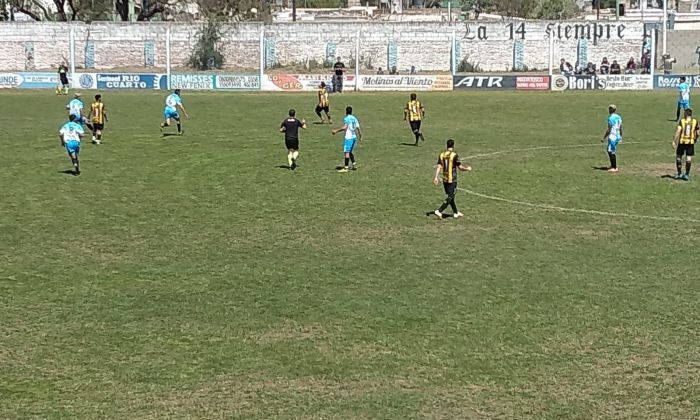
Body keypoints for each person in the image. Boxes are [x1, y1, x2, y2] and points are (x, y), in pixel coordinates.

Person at [432, 138, 472, 220]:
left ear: (447, 145)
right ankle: (439, 211)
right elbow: (460, 167)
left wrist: (436, 177)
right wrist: (467, 169)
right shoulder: (454, 155)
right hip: (452, 179)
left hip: (445, 179)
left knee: (451, 196)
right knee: (451, 196)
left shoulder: (442, 154)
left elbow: (439, 166)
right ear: (453, 145)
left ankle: (455, 212)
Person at [331, 106, 362, 173]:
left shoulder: (347, 118)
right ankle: (354, 164)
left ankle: (346, 168)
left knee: (346, 152)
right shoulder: (354, 118)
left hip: (349, 138)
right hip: (354, 137)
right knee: (350, 151)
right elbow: (358, 128)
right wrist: (360, 136)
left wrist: (336, 131)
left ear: (346, 112)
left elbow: (345, 127)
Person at [672, 108, 698, 180]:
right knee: (688, 157)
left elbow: (678, 131)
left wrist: (674, 140)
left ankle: (680, 173)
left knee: (678, 156)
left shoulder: (682, 121)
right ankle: (686, 174)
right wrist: (696, 138)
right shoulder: (695, 121)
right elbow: (698, 132)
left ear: (686, 114)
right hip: (690, 142)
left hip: (682, 142)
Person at [601, 104, 623, 172]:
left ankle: (614, 167)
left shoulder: (611, 118)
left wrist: (604, 137)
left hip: (613, 136)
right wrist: (620, 136)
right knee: (609, 149)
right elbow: (621, 127)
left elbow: (609, 129)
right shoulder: (618, 117)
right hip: (617, 135)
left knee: (611, 151)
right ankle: (612, 165)